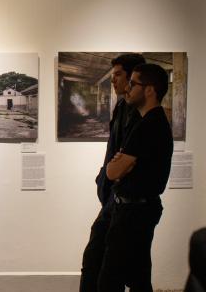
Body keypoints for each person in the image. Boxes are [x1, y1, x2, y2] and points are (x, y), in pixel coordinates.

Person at [100, 63, 174, 291]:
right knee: (139, 278)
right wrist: (122, 163)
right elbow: (120, 167)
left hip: (133, 213)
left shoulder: (147, 126)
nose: (127, 89)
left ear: (149, 89)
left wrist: (119, 164)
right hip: (141, 210)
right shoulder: (155, 122)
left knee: (109, 281)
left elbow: (112, 172)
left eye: (133, 84)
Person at [80, 53, 146, 292]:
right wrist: (104, 177)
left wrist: (111, 174)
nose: (113, 80)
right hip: (114, 195)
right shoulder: (121, 106)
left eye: (118, 75)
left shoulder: (139, 113)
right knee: (109, 263)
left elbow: (127, 160)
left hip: (124, 198)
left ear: (132, 78)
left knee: (108, 264)